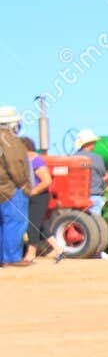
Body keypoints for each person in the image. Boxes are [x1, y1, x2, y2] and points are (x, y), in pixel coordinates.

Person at [0, 106, 32, 267]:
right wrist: (23, 184)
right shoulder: (10, 140)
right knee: (15, 222)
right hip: (11, 189)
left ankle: (3, 258)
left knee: (3, 225)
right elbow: (15, 165)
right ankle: (12, 258)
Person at [22, 137, 52, 262]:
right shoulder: (27, 160)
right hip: (35, 196)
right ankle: (58, 249)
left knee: (32, 225)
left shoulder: (35, 160)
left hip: (39, 196)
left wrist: (32, 192)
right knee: (40, 224)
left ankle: (31, 253)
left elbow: (47, 181)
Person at [75, 130, 107, 213]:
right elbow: (103, 175)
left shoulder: (73, 158)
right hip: (94, 195)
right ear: (89, 143)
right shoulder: (96, 158)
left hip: (77, 197)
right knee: (94, 223)